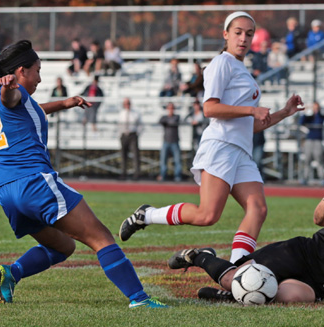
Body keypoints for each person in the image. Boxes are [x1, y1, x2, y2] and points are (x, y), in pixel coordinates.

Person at [0, 39, 167, 308]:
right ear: (21, 71)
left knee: (63, 247)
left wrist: (65, 103)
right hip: (33, 182)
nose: (40, 77)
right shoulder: (12, 93)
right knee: (100, 236)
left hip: (7, 190)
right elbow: (11, 98)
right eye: (37, 70)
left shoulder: (0, 104)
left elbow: (31, 110)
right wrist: (8, 87)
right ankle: (139, 299)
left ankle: (12, 273)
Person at [119, 12, 304, 264]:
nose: (244, 38)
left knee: (258, 209)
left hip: (241, 151)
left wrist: (285, 112)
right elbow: (210, 109)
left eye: (249, 34)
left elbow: (249, 127)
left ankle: (238, 269)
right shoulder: (222, 63)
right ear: (225, 34)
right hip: (221, 146)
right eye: (238, 32)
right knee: (207, 215)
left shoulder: (243, 71)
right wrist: (251, 110)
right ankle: (146, 215)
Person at [167, 155, 324, 304]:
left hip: (320, 283)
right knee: (235, 280)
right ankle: (199, 256)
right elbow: (320, 219)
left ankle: (233, 296)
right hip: (298, 253)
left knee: (285, 297)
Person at [299, 101, 324, 185]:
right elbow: (301, 122)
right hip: (309, 140)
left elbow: (319, 121)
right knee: (307, 159)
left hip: (317, 140)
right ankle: (305, 178)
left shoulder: (321, 116)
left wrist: (317, 112)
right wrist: (305, 111)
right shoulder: (309, 117)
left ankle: (322, 178)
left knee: (319, 159)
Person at [118, 97, 142, 180]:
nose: (127, 105)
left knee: (135, 155)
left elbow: (140, 125)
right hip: (124, 135)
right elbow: (119, 125)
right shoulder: (122, 113)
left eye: (128, 103)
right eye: (125, 104)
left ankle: (136, 174)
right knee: (123, 154)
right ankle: (123, 173)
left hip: (133, 135)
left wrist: (137, 134)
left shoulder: (135, 113)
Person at [157, 102, 182, 182]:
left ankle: (177, 176)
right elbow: (160, 121)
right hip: (166, 141)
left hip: (175, 141)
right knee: (163, 160)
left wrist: (168, 122)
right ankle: (163, 175)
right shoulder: (164, 117)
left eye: (172, 108)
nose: (170, 110)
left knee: (177, 160)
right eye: (169, 108)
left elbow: (173, 122)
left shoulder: (177, 117)